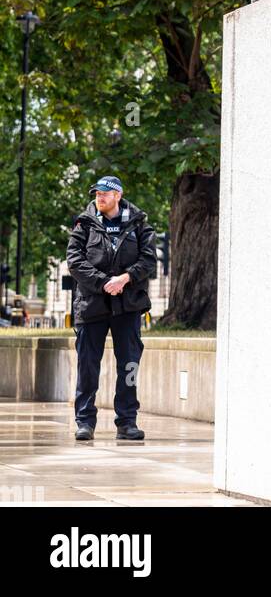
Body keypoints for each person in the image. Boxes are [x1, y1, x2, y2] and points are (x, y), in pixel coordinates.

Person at [66, 176, 157, 442]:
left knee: (129, 365)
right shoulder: (84, 224)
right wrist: (104, 282)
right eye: (97, 193)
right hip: (91, 305)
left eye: (105, 193)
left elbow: (149, 259)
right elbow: (74, 260)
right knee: (87, 366)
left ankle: (127, 422)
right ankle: (85, 422)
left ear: (118, 195)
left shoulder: (139, 224)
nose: (100, 197)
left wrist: (125, 279)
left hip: (128, 306)